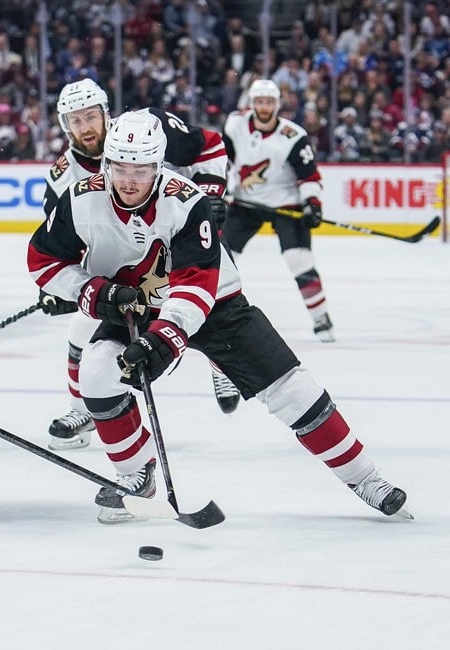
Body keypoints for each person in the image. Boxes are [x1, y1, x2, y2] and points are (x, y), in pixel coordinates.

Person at [27, 111, 411, 524]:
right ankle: (135, 475)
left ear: (158, 166)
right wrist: (92, 293)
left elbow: (196, 285)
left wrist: (164, 338)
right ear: (107, 164)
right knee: (96, 369)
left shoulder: (186, 201)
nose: (129, 179)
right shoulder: (79, 198)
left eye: (140, 169)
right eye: (120, 167)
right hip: (134, 305)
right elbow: (44, 259)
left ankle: (366, 478)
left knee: (292, 389)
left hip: (216, 304)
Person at [39, 79, 238, 453]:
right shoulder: (62, 176)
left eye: (90, 117)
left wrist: (211, 195)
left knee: (213, 311)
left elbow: (209, 145)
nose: (85, 128)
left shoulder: (144, 128)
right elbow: (59, 245)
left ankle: (221, 363)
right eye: (75, 121)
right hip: (129, 272)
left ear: (105, 113)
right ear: (65, 126)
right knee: (81, 329)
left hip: (185, 240)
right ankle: (82, 409)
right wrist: (60, 288)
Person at [222, 79, 335, 341]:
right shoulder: (235, 124)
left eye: (269, 102)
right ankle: (208, 312)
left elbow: (309, 176)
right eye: (260, 102)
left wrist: (312, 204)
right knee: (221, 257)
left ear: (277, 104)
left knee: (300, 260)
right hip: (246, 203)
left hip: (285, 204)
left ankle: (321, 317)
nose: (264, 107)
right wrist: (223, 190)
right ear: (252, 103)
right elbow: (224, 160)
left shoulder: (293, 136)